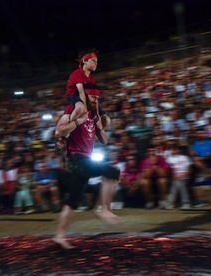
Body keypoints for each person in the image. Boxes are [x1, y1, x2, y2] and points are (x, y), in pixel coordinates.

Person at [54, 89, 120, 249]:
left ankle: (59, 236)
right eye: (93, 96)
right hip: (76, 159)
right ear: (84, 97)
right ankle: (103, 209)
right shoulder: (73, 110)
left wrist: (100, 127)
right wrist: (78, 122)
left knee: (73, 201)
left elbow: (105, 140)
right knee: (113, 171)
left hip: (85, 160)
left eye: (98, 97)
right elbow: (58, 132)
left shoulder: (93, 117)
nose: (96, 99)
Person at [65, 51, 105, 125]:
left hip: (85, 95)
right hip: (73, 95)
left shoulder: (91, 78)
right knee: (80, 107)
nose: (96, 63)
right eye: (93, 60)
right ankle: (68, 126)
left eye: (96, 61)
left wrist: (97, 113)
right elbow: (81, 92)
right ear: (85, 61)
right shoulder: (77, 73)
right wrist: (85, 109)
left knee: (105, 118)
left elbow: (93, 94)